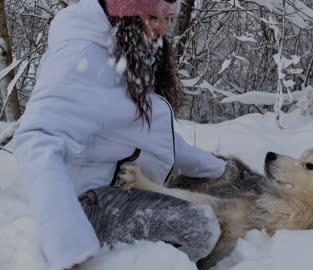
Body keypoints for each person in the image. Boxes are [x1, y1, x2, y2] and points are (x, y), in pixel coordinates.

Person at [13, 0, 226, 269]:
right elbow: (36, 138)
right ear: (126, 13)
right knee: (200, 226)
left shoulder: (122, 53)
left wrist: (219, 168)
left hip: (119, 193)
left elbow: (156, 139)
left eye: (167, 19)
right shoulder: (82, 57)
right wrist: (67, 238)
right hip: (90, 207)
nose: (162, 30)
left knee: (203, 213)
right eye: (153, 18)